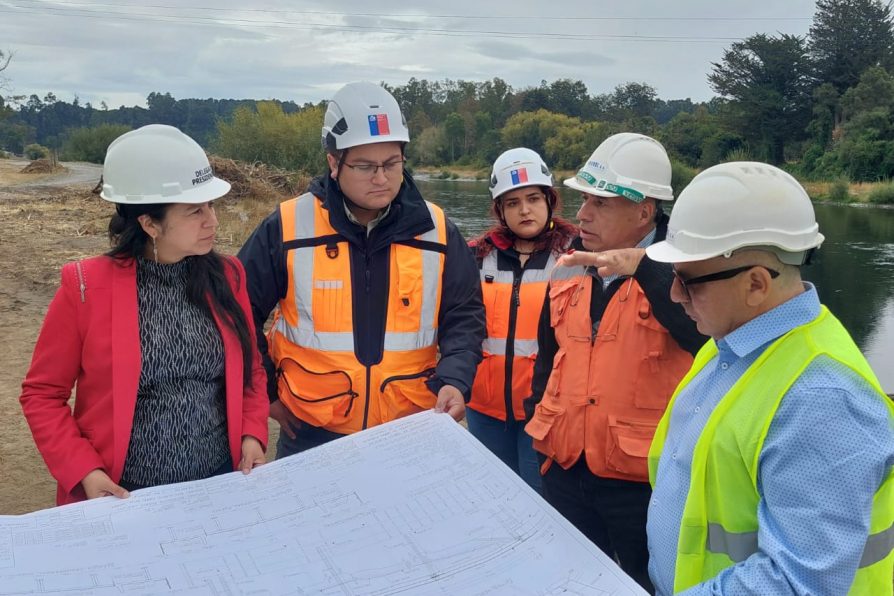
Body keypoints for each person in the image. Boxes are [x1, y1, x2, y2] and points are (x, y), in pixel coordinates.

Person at [644, 162, 894, 595]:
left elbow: (800, 582)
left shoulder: (820, 400)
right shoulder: (730, 343)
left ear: (757, 284)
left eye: (687, 282)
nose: (673, 295)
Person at [19, 124, 270, 505]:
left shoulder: (228, 276)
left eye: (211, 205)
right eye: (194, 211)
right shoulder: (84, 288)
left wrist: (253, 432)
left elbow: (250, 371)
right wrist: (85, 470)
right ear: (149, 223)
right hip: (123, 497)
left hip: (219, 487)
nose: (213, 221)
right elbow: (42, 394)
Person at [237, 81, 484, 456]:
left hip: (410, 428)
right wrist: (266, 394)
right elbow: (237, 312)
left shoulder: (437, 230)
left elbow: (464, 314)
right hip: (311, 430)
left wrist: (455, 379)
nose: (381, 178)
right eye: (365, 166)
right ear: (334, 163)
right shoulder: (288, 225)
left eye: (392, 163)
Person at [523, 133, 707, 591]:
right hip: (566, 470)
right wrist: (540, 436)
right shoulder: (570, 263)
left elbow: (705, 343)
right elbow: (548, 363)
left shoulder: (687, 270)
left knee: (649, 583)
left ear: (644, 211)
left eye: (600, 203)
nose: (582, 214)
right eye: (584, 200)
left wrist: (643, 267)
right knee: (570, 582)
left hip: (643, 484)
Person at [466, 148, 577, 493]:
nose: (524, 209)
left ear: (549, 200)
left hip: (544, 412)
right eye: (512, 203)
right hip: (484, 409)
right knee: (490, 498)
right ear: (500, 210)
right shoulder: (477, 256)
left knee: (538, 502)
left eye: (532, 198)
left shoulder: (575, 256)